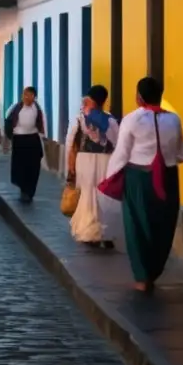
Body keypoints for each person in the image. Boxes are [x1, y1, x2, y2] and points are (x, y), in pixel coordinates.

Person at [105, 77, 183, 293]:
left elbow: (121, 153)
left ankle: (142, 277)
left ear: (138, 97)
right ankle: (153, 271)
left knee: (136, 226)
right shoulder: (174, 119)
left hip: (138, 177)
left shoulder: (131, 120)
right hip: (168, 177)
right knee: (164, 224)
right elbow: (182, 154)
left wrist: (109, 177)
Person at [67, 85, 120, 248]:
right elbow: (117, 142)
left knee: (100, 195)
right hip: (95, 160)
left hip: (97, 160)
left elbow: (70, 143)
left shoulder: (84, 119)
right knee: (91, 194)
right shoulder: (108, 120)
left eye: (88, 100)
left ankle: (100, 232)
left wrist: (69, 164)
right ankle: (94, 232)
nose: (85, 103)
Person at [4, 86, 46, 203]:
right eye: (25, 95)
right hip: (19, 140)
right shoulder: (15, 108)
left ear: (34, 97)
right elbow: (8, 123)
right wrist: (9, 138)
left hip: (33, 139)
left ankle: (30, 191)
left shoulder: (37, 108)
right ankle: (23, 190)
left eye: (30, 95)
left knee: (34, 167)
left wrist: (42, 137)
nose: (27, 97)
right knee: (20, 166)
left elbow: (41, 124)